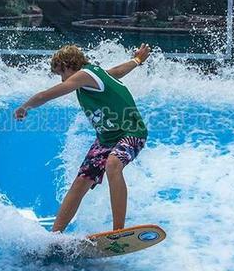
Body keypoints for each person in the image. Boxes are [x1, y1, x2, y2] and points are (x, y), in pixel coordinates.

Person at [14, 44, 150, 232]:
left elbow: (46, 95)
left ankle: (118, 232)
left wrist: (25, 107)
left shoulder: (84, 74)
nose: (62, 79)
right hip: (106, 138)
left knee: (113, 165)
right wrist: (137, 60)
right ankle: (55, 234)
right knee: (81, 181)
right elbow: (117, 72)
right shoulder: (96, 74)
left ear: (68, 65)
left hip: (131, 133)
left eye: (61, 73)